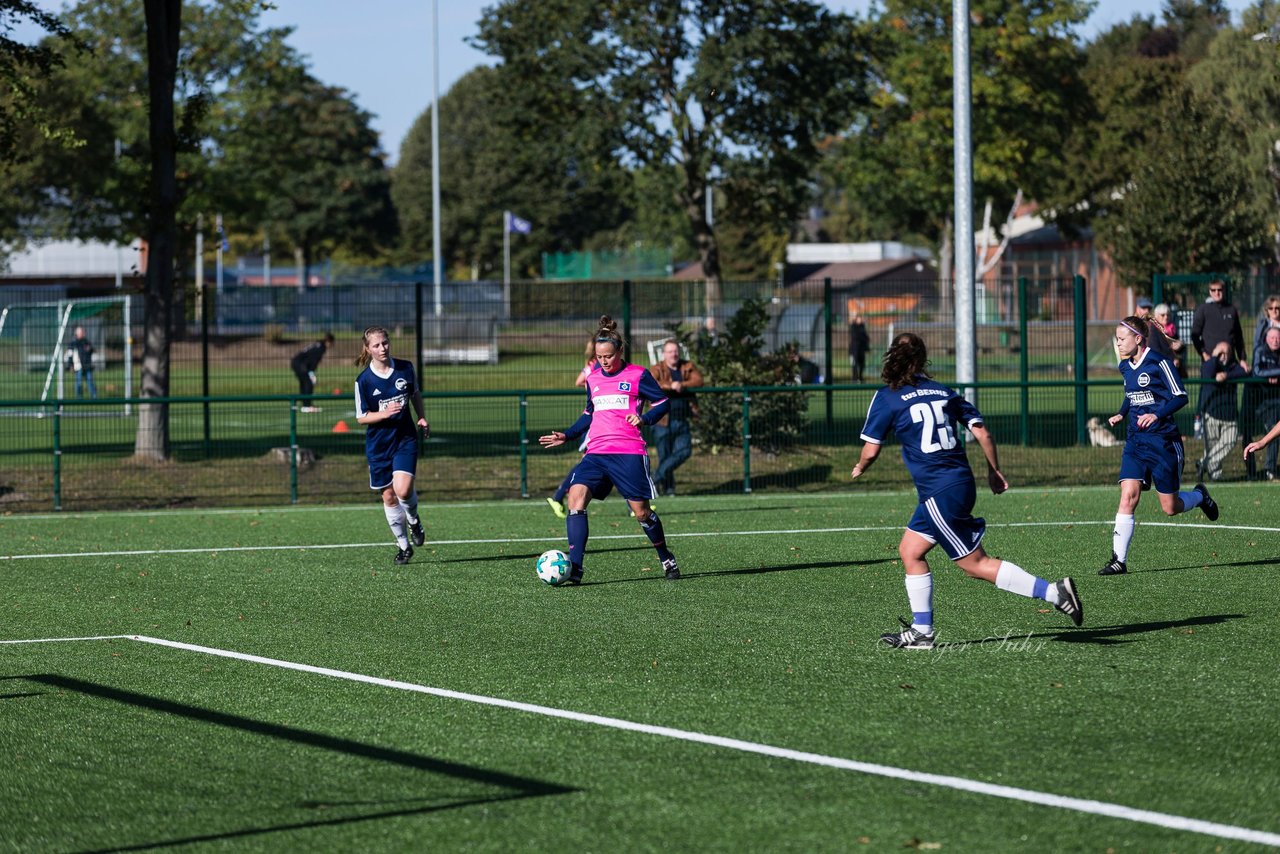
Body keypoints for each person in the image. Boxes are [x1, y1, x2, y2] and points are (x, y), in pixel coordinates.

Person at [849, 332, 1083, 649]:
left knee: (974, 564)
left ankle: (1055, 593)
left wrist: (861, 467)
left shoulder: (887, 397)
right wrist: (994, 470)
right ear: (922, 359)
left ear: (892, 356)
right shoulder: (943, 391)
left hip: (938, 493)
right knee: (910, 551)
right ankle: (922, 631)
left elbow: (871, 450)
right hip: (959, 483)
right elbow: (982, 431)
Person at [538, 315, 680, 583]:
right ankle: (576, 569)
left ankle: (665, 556)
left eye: (608, 356)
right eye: (599, 356)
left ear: (620, 351)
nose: (603, 361)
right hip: (596, 452)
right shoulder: (593, 379)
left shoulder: (638, 375)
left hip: (628, 452)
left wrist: (645, 418)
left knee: (641, 513)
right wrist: (567, 435)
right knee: (575, 499)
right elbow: (589, 414)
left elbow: (662, 403)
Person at [1099, 317, 1219, 577]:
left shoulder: (1159, 362)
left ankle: (1199, 496)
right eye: (1117, 339)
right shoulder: (1125, 366)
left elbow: (1180, 396)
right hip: (1136, 442)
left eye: (1122, 339)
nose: (1118, 343)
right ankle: (1118, 560)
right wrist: (1121, 413)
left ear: (1138, 339)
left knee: (1170, 507)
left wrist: (1157, 415)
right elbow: (1130, 396)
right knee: (1128, 495)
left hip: (1163, 442)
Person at [353, 326, 429, 565]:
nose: (382, 348)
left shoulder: (405, 368)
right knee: (388, 496)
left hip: (404, 438)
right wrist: (383, 413)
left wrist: (422, 417)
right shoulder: (363, 381)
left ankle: (414, 521)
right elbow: (361, 417)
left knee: (403, 490)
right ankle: (404, 547)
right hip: (378, 445)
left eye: (385, 343)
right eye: (376, 345)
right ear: (368, 349)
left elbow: (415, 393)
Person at [546, 351, 599, 519]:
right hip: (597, 423)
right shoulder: (595, 368)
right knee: (593, 461)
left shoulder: (594, 366)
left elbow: (579, 381)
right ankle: (559, 496)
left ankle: (558, 496)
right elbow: (579, 382)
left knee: (604, 462)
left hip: (603, 423)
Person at [648, 339, 704, 497]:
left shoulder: (687, 366)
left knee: (684, 451)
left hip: (682, 418)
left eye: (676, 351)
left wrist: (682, 385)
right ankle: (669, 488)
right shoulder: (657, 368)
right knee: (665, 455)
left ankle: (654, 478)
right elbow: (652, 383)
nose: (674, 354)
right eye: (670, 351)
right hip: (662, 419)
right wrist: (670, 385)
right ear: (664, 354)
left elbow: (699, 380)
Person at [1195, 341, 1247, 482]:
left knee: (1230, 440)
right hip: (1211, 413)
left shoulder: (1233, 366)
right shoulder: (1210, 364)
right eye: (1220, 352)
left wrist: (1226, 375)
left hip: (1229, 415)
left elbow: (1244, 371)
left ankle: (1203, 463)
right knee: (1211, 446)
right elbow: (1206, 372)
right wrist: (1214, 357)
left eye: (1227, 351)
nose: (1224, 355)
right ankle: (1215, 476)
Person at [1190, 280, 1247, 371]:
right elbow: (1195, 335)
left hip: (1229, 361)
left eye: (1219, 290)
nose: (1217, 293)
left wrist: (1242, 358)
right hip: (1210, 361)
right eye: (1213, 290)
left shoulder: (1231, 310)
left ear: (1224, 290)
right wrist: (1204, 354)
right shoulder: (1203, 310)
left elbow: (1238, 337)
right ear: (1210, 292)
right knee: (1210, 385)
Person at [1251, 326, 1280, 480]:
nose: (1275, 341)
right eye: (1272, 338)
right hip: (1264, 403)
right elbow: (1257, 372)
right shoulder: (1260, 351)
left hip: (1278, 400)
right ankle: (1269, 469)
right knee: (1273, 433)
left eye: (1278, 338)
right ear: (1266, 339)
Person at [292, 332, 335, 413]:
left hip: (297, 362)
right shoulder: (321, 348)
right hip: (300, 364)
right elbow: (313, 361)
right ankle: (306, 406)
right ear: (329, 341)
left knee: (304, 382)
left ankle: (306, 404)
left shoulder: (318, 345)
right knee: (308, 383)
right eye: (332, 343)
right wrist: (311, 373)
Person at [65, 326, 97, 399]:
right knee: (78, 383)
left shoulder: (87, 342)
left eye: (82, 332)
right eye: (81, 332)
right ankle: (79, 398)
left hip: (87, 365)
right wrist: (71, 365)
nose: (83, 333)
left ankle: (94, 396)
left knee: (90, 381)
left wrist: (90, 349)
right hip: (78, 366)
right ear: (77, 333)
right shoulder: (73, 344)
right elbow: (70, 355)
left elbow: (92, 351)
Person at [847, 308, 870, 382]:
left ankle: (860, 377)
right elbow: (856, 336)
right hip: (855, 349)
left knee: (862, 364)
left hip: (861, 349)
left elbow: (865, 336)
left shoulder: (862, 326)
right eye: (858, 317)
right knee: (855, 364)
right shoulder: (853, 326)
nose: (860, 319)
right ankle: (854, 378)